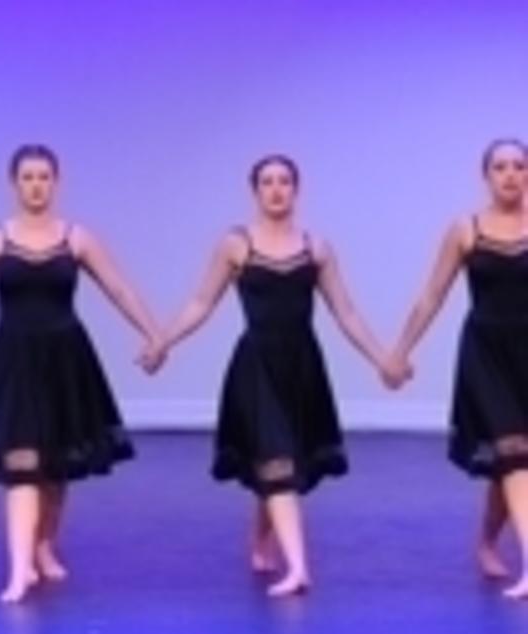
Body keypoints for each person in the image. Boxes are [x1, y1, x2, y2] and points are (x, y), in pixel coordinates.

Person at [0, 144, 163, 603]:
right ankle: (19, 569)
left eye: (44, 177)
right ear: (14, 183)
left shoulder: (76, 238)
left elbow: (118, 288)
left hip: (66, 357)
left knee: (56, 462)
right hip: (15, 359)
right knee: (21, 462)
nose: (36, 185)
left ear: (55, 182)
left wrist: (152, 334)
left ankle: (44, 546)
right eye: (28, 177)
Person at [144, 154, 399, 596]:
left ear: (296, 190)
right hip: (257, 367)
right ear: (255, 191)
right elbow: (201, 303)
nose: (277, 189)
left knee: (280, 461)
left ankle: (262, 539)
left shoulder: (316, 248)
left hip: (301, 367)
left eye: (284, 182)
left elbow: (346, 312)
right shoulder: (236, 245)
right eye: (267, 182)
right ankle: (298, 567)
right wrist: (163, 340)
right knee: (277, 462)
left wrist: (382, 359)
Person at [386, 138, 528, 599]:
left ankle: (487, 541)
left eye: (519, 166)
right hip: (486, 353)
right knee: (513, 450)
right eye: (500, 167)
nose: (510, 174)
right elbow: (432, 295)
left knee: (511, 459)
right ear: (486, 176)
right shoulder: (466, 230)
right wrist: (400, 351)